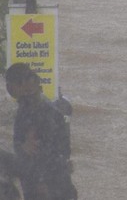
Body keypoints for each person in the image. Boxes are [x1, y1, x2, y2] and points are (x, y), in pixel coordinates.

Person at [5, 63, 77, 200]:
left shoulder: (39, 111)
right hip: (48, 181)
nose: (8, 89)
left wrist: (41, 181)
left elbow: (47, 150)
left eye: (10, 84)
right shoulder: (29, 106)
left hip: (49, 186)